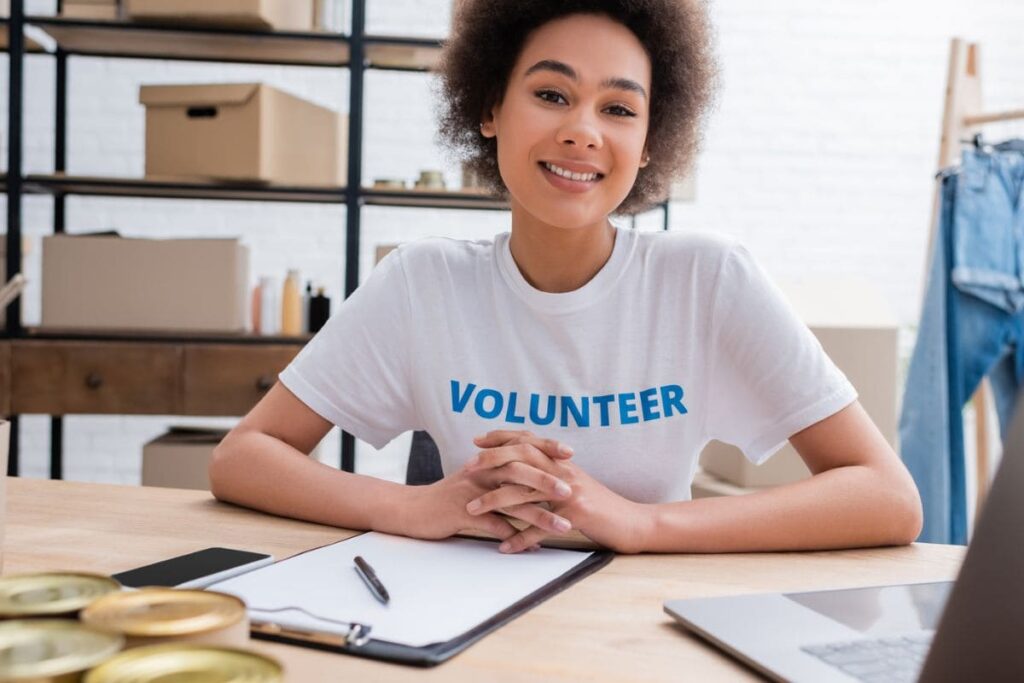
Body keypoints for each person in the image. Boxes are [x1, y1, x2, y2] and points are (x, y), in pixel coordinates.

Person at [210, 0, 922, 554]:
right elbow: (243, 457)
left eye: (618, 109)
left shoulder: (707, 280)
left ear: (649, 144)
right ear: (490, 109)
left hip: (637, 626)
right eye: (552, 94)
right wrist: (413, 506)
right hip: (457, 621)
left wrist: (644, 523)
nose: (584, 130)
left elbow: (888, 498)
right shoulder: (421, 283)